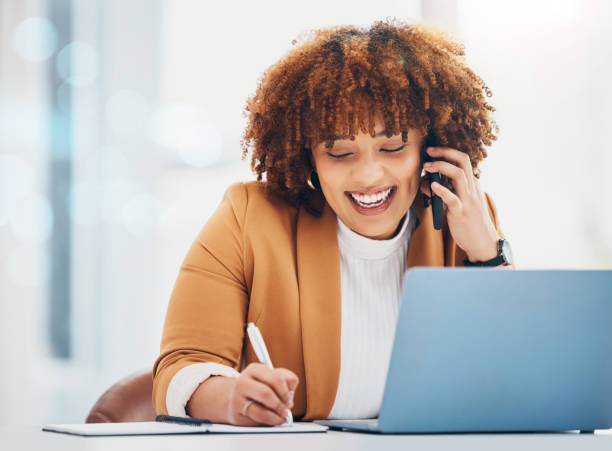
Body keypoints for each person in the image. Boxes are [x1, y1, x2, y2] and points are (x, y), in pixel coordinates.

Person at [152, 18, 514, 427]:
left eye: (392, 147)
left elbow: (517, 378)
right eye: (340, 153)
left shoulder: (463, 218)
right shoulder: (248, 218)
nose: (368, 176)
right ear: (309, 157)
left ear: (430, 147)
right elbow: (181, 367)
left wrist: (487, 254)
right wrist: (230, 398)